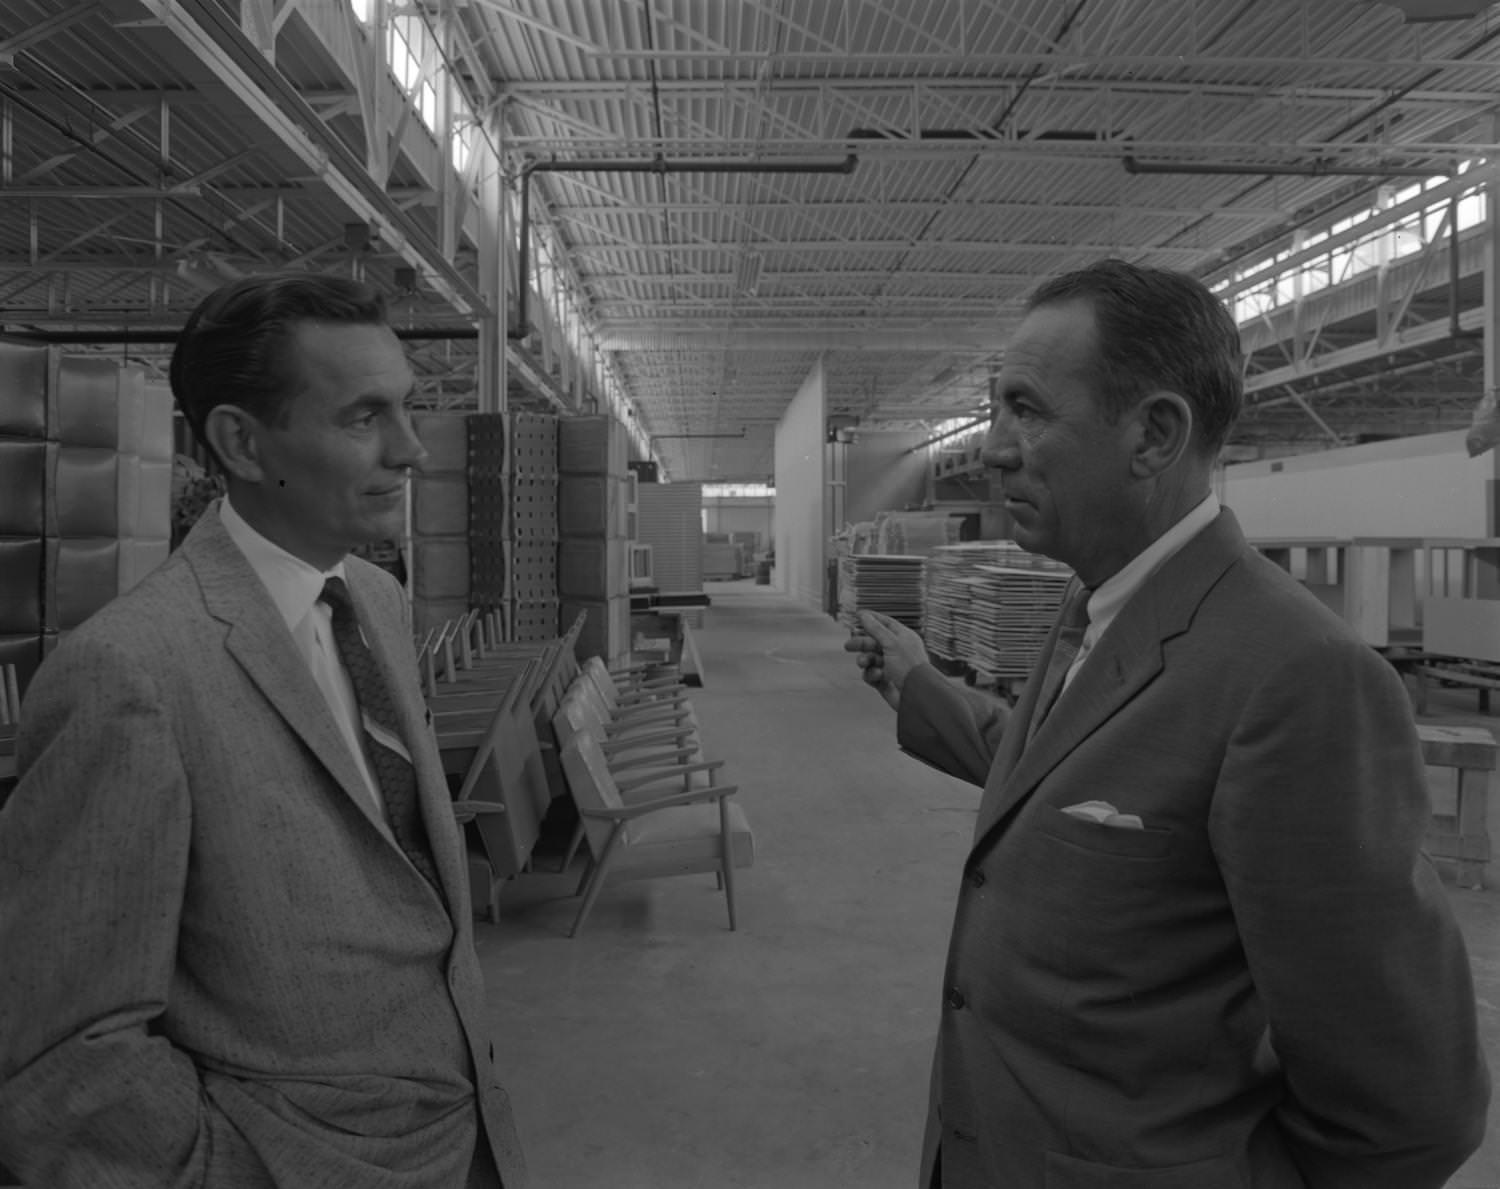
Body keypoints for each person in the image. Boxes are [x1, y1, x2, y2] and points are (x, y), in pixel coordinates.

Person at [847, 259, 1489, 1188]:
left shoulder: (1296, 678)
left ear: (1154, 433)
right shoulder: (1098, 606)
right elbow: (1061, 777)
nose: (992, 448)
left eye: (1026, 409)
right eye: (996, 409)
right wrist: (920, 685)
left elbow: (1410, 1105)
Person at [0, 274, 526, 1188]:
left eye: (407, 408)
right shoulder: (131, 673)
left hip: (466, 1132)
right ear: (242, 442)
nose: (411, 450)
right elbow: (56, 1056)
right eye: (365, 417)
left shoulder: (376, 599)